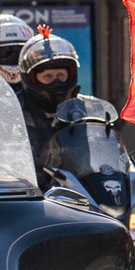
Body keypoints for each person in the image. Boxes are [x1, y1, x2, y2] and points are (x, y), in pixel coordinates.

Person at [12, 28, 81, 168]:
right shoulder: (13, 114)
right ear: (30, 79)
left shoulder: (85, 110)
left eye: (61, 76)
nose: (56, 82)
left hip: (80, 187)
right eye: (48, 77)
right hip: (34, 188)